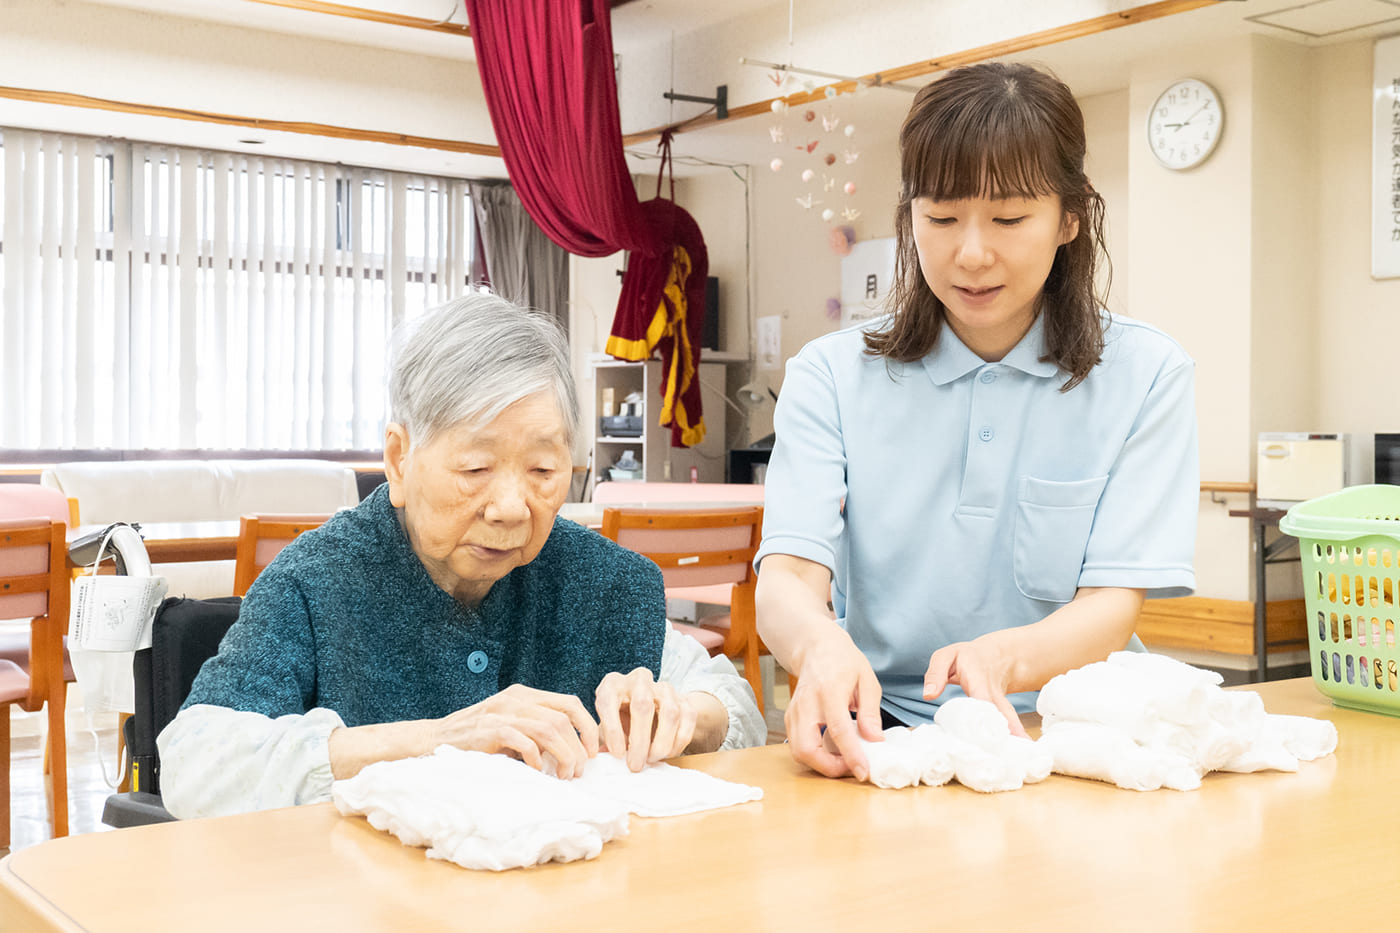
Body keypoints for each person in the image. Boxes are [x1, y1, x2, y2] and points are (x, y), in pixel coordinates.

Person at [755, 62, 1198, 782]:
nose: (971, 252)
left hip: (1074, 732)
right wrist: (820, 647)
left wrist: (1003, 657)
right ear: (909, 217)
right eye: (940, 217)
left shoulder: (1147, 375)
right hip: (882, 732)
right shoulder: (829, 375)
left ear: (1072, 216)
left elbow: (1111, 606)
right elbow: (789, 575)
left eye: (1010, 218)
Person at [159, 293, 765, 818]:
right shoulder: (317, 581)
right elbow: (195, 763)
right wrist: (439, 740)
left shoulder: (604, 579)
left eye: (543, 469)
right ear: (398, 460)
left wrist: (683, 716)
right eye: (475, 468)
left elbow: (734, 708)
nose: (511, 506)